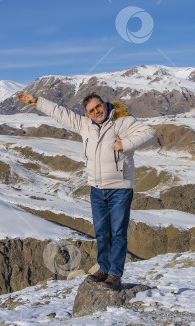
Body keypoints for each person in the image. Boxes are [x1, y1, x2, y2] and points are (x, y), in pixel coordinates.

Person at [16, 92, 157, 290]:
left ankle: (115, 274)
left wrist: (125, 144)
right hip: (97, 189)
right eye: (91, 110)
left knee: (117, 233)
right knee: (101, 232)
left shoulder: (123, 121)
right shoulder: (85, 125)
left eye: (98, 106)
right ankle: (104, 268)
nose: (96, 111)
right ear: (87, 114)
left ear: (105, 104)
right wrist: (37, 101)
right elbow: (60, 113)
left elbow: (151, 134)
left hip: (120, 188)